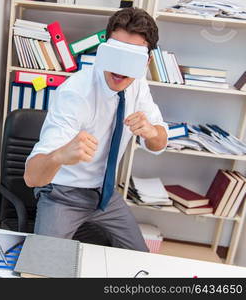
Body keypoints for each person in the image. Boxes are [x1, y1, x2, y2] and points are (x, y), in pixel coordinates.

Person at [23, 7, 168, 252]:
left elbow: (160, 142)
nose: (120, 69)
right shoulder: (75, 92)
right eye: (116, 53)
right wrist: (61, 155)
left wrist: (152, 132)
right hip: (63, 194)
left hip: (105, 194)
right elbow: (31, 177)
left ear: (147, 62)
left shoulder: (138, 85)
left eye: (131, 57)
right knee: (44, 266)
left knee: (143, 260)